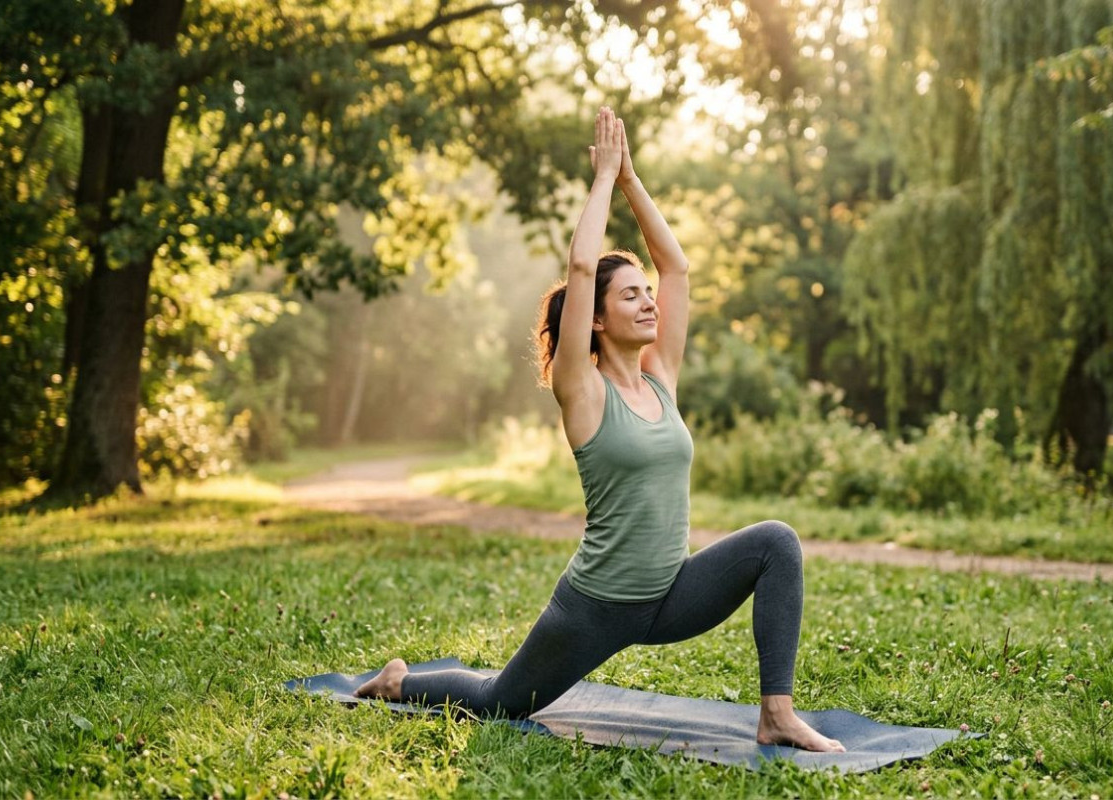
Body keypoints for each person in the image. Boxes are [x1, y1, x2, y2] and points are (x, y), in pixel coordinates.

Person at [356, 107, 844, 753]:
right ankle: (399, 681)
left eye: (646, 294)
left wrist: (633, 182)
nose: (648, 302)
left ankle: (777, 714)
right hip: (596, 605)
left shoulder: (661, 377)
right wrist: (602, 178)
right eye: (631, 296)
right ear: (597, 321)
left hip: (671, 594)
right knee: (498, 701)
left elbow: (678, 271)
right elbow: (581, 269)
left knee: (776, 544)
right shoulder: (581, 392)